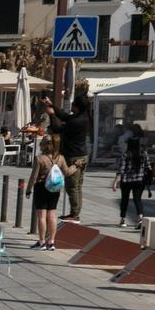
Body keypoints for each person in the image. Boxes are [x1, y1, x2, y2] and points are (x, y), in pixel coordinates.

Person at [58, 84, 93, 221]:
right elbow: (66, 117)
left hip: (75, 157)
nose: (71, 108)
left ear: (77, 107)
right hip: (82, 155)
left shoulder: (77, 121)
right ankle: (75, 212)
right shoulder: (84, 118)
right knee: (77, 186)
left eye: (73, 105)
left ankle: (74, 214)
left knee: (72, 186)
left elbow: (60, 124)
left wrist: (53, 113)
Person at [30, 134, 64, 249]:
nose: (40, 144)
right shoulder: (61, 158)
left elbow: (34, 177)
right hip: (55, 189)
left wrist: (28, 189)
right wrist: (75, 166)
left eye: (42, 143)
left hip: (41, 188)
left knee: (42, 216)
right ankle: (51, 242)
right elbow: (68, 172)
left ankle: (41, 242)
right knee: (52, 215)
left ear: (45, 146)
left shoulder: (39, 158)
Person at [115, 128, 153, 230]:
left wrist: (116, 181)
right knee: (137, 199)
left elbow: (121, 169)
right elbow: (148, 167)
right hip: (139, 181)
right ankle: (140, 219)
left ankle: (122, 220)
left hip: (126, 181)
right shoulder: (144, 154)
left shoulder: (125, 155)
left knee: (124, 200)